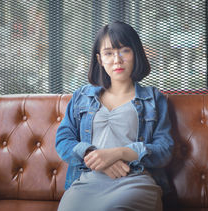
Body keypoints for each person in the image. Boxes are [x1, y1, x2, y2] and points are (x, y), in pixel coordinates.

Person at [55, 21, 174, 211]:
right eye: (108, 53)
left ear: (135, 53)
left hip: (134, 180)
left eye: (124, 51)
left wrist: (119, 153)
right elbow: (63, 141)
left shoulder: (153, 98)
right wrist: (96, 158)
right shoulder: (82, 96)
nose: (117, 59)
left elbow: (164, 150)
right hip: (88, 180)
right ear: (100, 59)